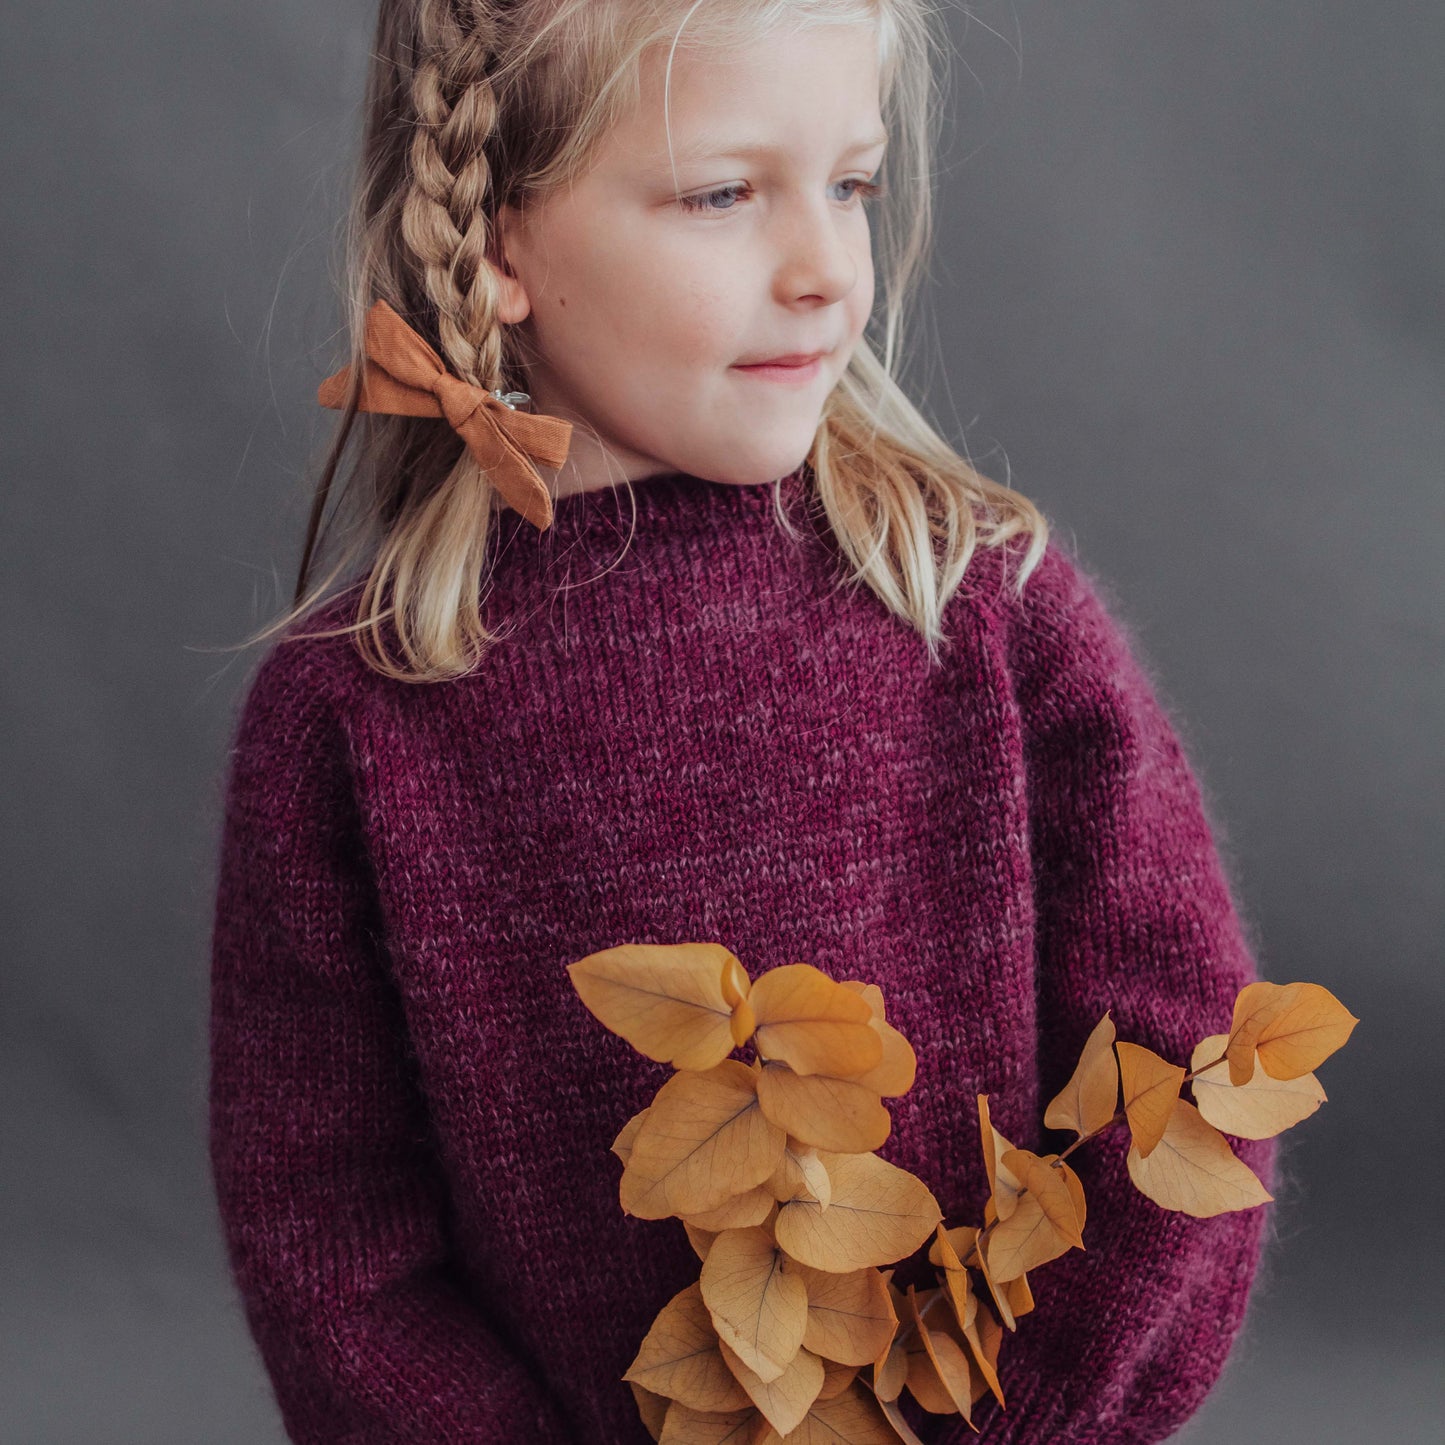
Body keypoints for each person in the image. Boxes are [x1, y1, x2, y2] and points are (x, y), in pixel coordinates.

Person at [206, 3, 1278, 1442]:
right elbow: (332, 1241)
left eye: (852, 183)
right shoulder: (358, 711)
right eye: (722, 194)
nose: (825, 268)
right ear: (497, 242)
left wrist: (1032, 1422)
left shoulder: (980, 607)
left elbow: (1191, 1064)